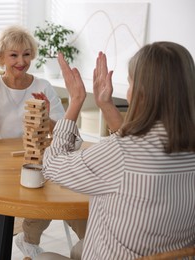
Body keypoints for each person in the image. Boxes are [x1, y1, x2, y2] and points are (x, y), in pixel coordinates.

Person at [36, 41, 195, 260]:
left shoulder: (121, 154)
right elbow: (138, 148)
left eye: (130, 83)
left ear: (140, 93)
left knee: (44, 258)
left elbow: (52, 165)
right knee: (78, 250)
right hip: (168, 253)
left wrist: (75, 103)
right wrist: (107, 106)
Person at [0, 25, 87, 259]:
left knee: (62, 184)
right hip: (0, 166)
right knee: (41, 185)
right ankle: (31, 238)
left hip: (37, 158)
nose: (21, 61)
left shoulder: (42, 86)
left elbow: (67, 134)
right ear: (1, 57)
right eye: (13, 55)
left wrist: (46, 114)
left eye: (26, 54)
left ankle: (92, 240)